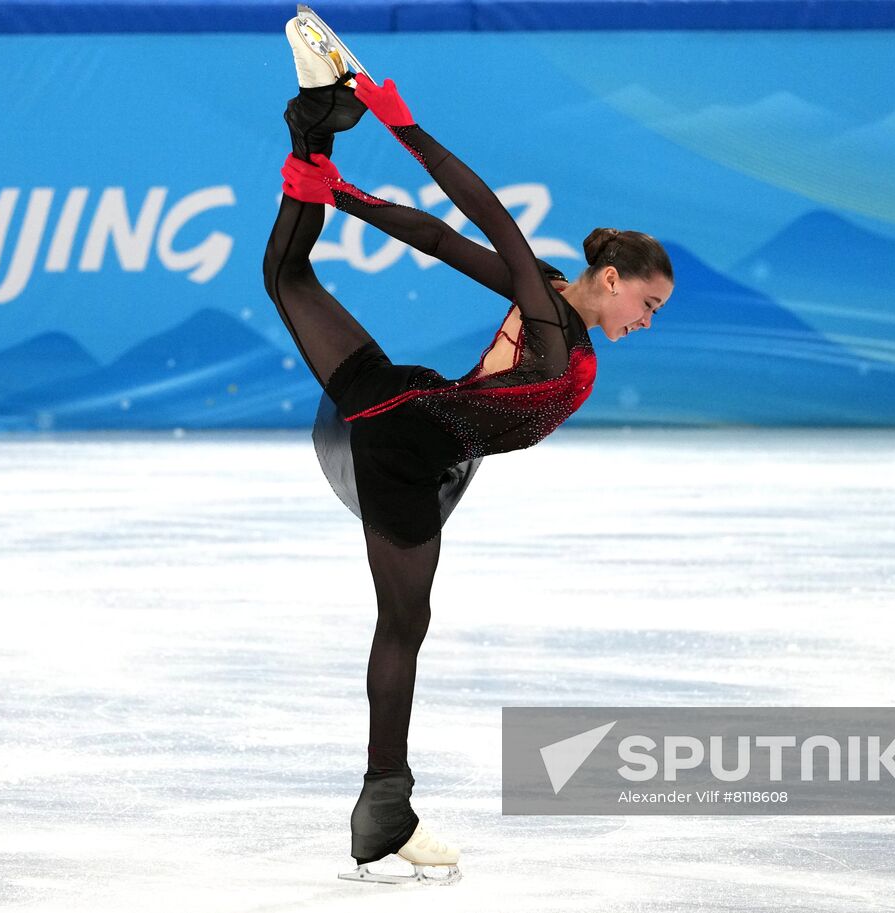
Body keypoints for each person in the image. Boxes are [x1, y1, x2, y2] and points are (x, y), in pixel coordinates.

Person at [262, 4, 674, 886]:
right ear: (610, 279)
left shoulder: (556, 319)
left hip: (405, 414)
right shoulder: (552, 327)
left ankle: (313, 127)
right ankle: (383, 808)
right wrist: (404, 132)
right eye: (648, 303)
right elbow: (478, 216)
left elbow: (446, 242)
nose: (647, 320)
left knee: (286, 274)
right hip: (405, 444)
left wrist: (344, 192)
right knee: (403, 627)